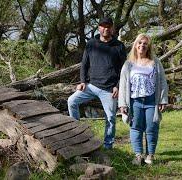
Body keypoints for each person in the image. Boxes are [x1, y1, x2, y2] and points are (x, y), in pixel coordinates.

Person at [67, 17, 126, 149]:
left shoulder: (119, 46)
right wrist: (82, 82)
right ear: (99, 28)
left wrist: (117, 86)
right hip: (91, 86)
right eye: (103, 26)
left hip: (109, 90)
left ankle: (108, 146)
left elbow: (124, 70)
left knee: (110, 118)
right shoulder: (91, 43)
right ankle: (77, 135)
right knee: (71, 101)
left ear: (112, 29)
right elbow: (84, 64)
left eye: (108, 26)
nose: (105, 29)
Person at [118, 34, 168, 165]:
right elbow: (122, 84)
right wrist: (122, 104)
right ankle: (138, 155)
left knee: (152, 128)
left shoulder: (155, 62)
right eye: (139, 43)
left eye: (145, 43)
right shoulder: (128, 64)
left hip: (152, 101)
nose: (142, 45)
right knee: (135, 127)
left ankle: (150, 155)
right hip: (135, 102)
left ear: (148, 46)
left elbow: (162, 81)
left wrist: (163, 99)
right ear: (135, 45)